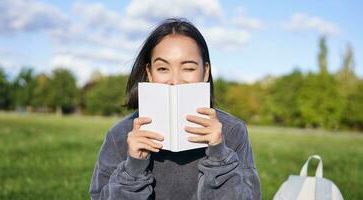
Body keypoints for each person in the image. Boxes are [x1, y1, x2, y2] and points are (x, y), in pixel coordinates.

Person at [89, 18, 261, 200]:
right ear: (150, 73)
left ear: (206, 72)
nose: (175, 80)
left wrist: (219, 155)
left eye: (188, 68)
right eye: (163, 68)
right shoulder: (120, 134)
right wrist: (134, 166)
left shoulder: (232, 131)